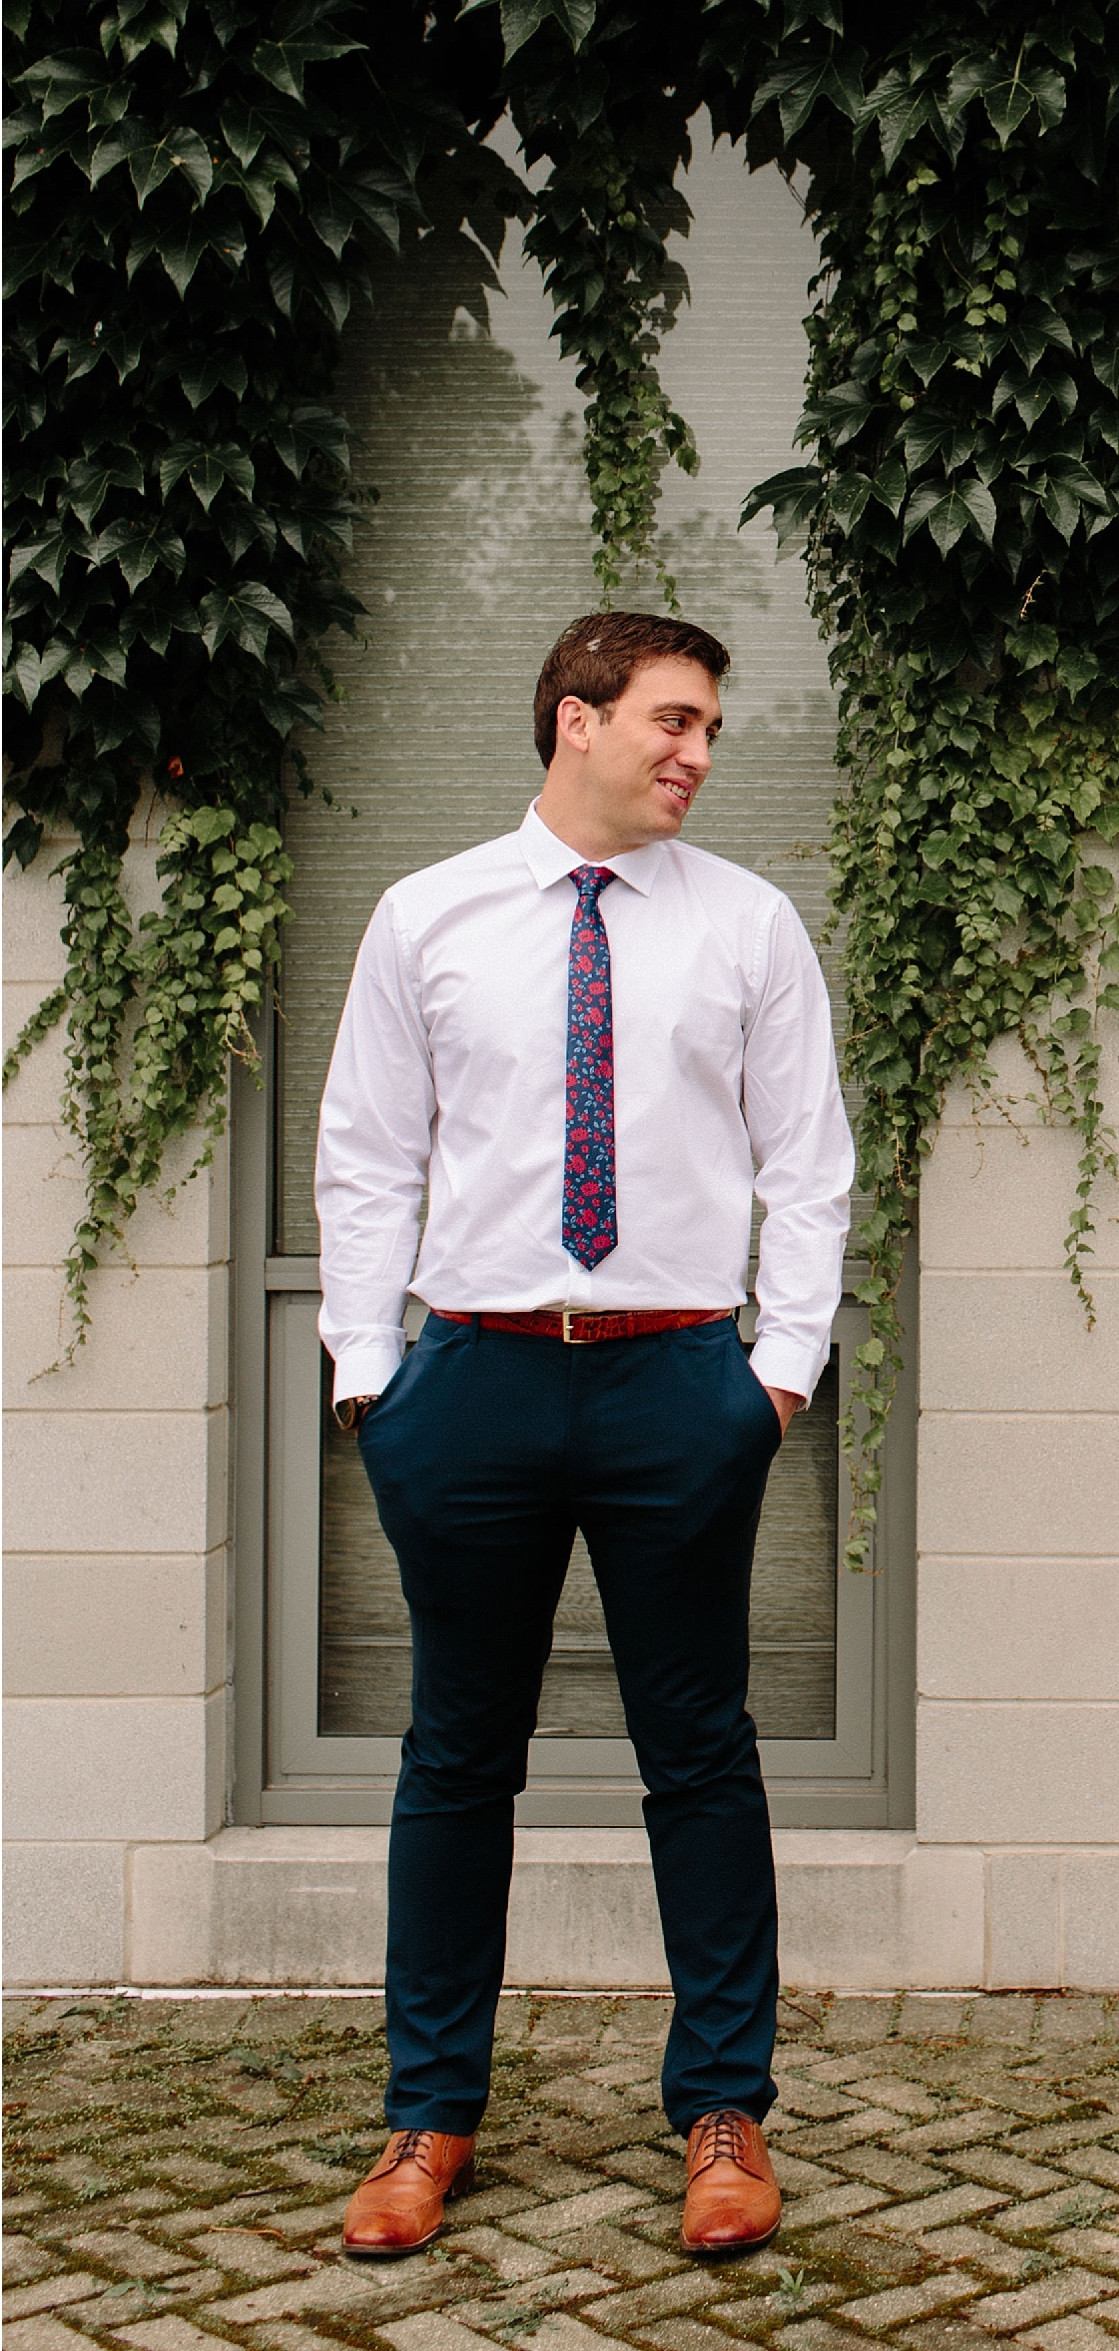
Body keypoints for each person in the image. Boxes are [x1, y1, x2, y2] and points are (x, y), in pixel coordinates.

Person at [315, 609, 853, 2263]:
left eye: (707, 729)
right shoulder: (430, 918)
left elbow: (807, 1162)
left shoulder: (749, 927)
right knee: (457, 1755)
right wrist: (364, 1374)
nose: (695, 751)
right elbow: (367, 1153)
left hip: (675, 1382)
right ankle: (429, 2118)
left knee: (698, 1748)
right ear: (577, 719)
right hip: (468, 1382)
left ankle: (723, 2113)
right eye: (672, 721)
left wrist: (775, 1374)